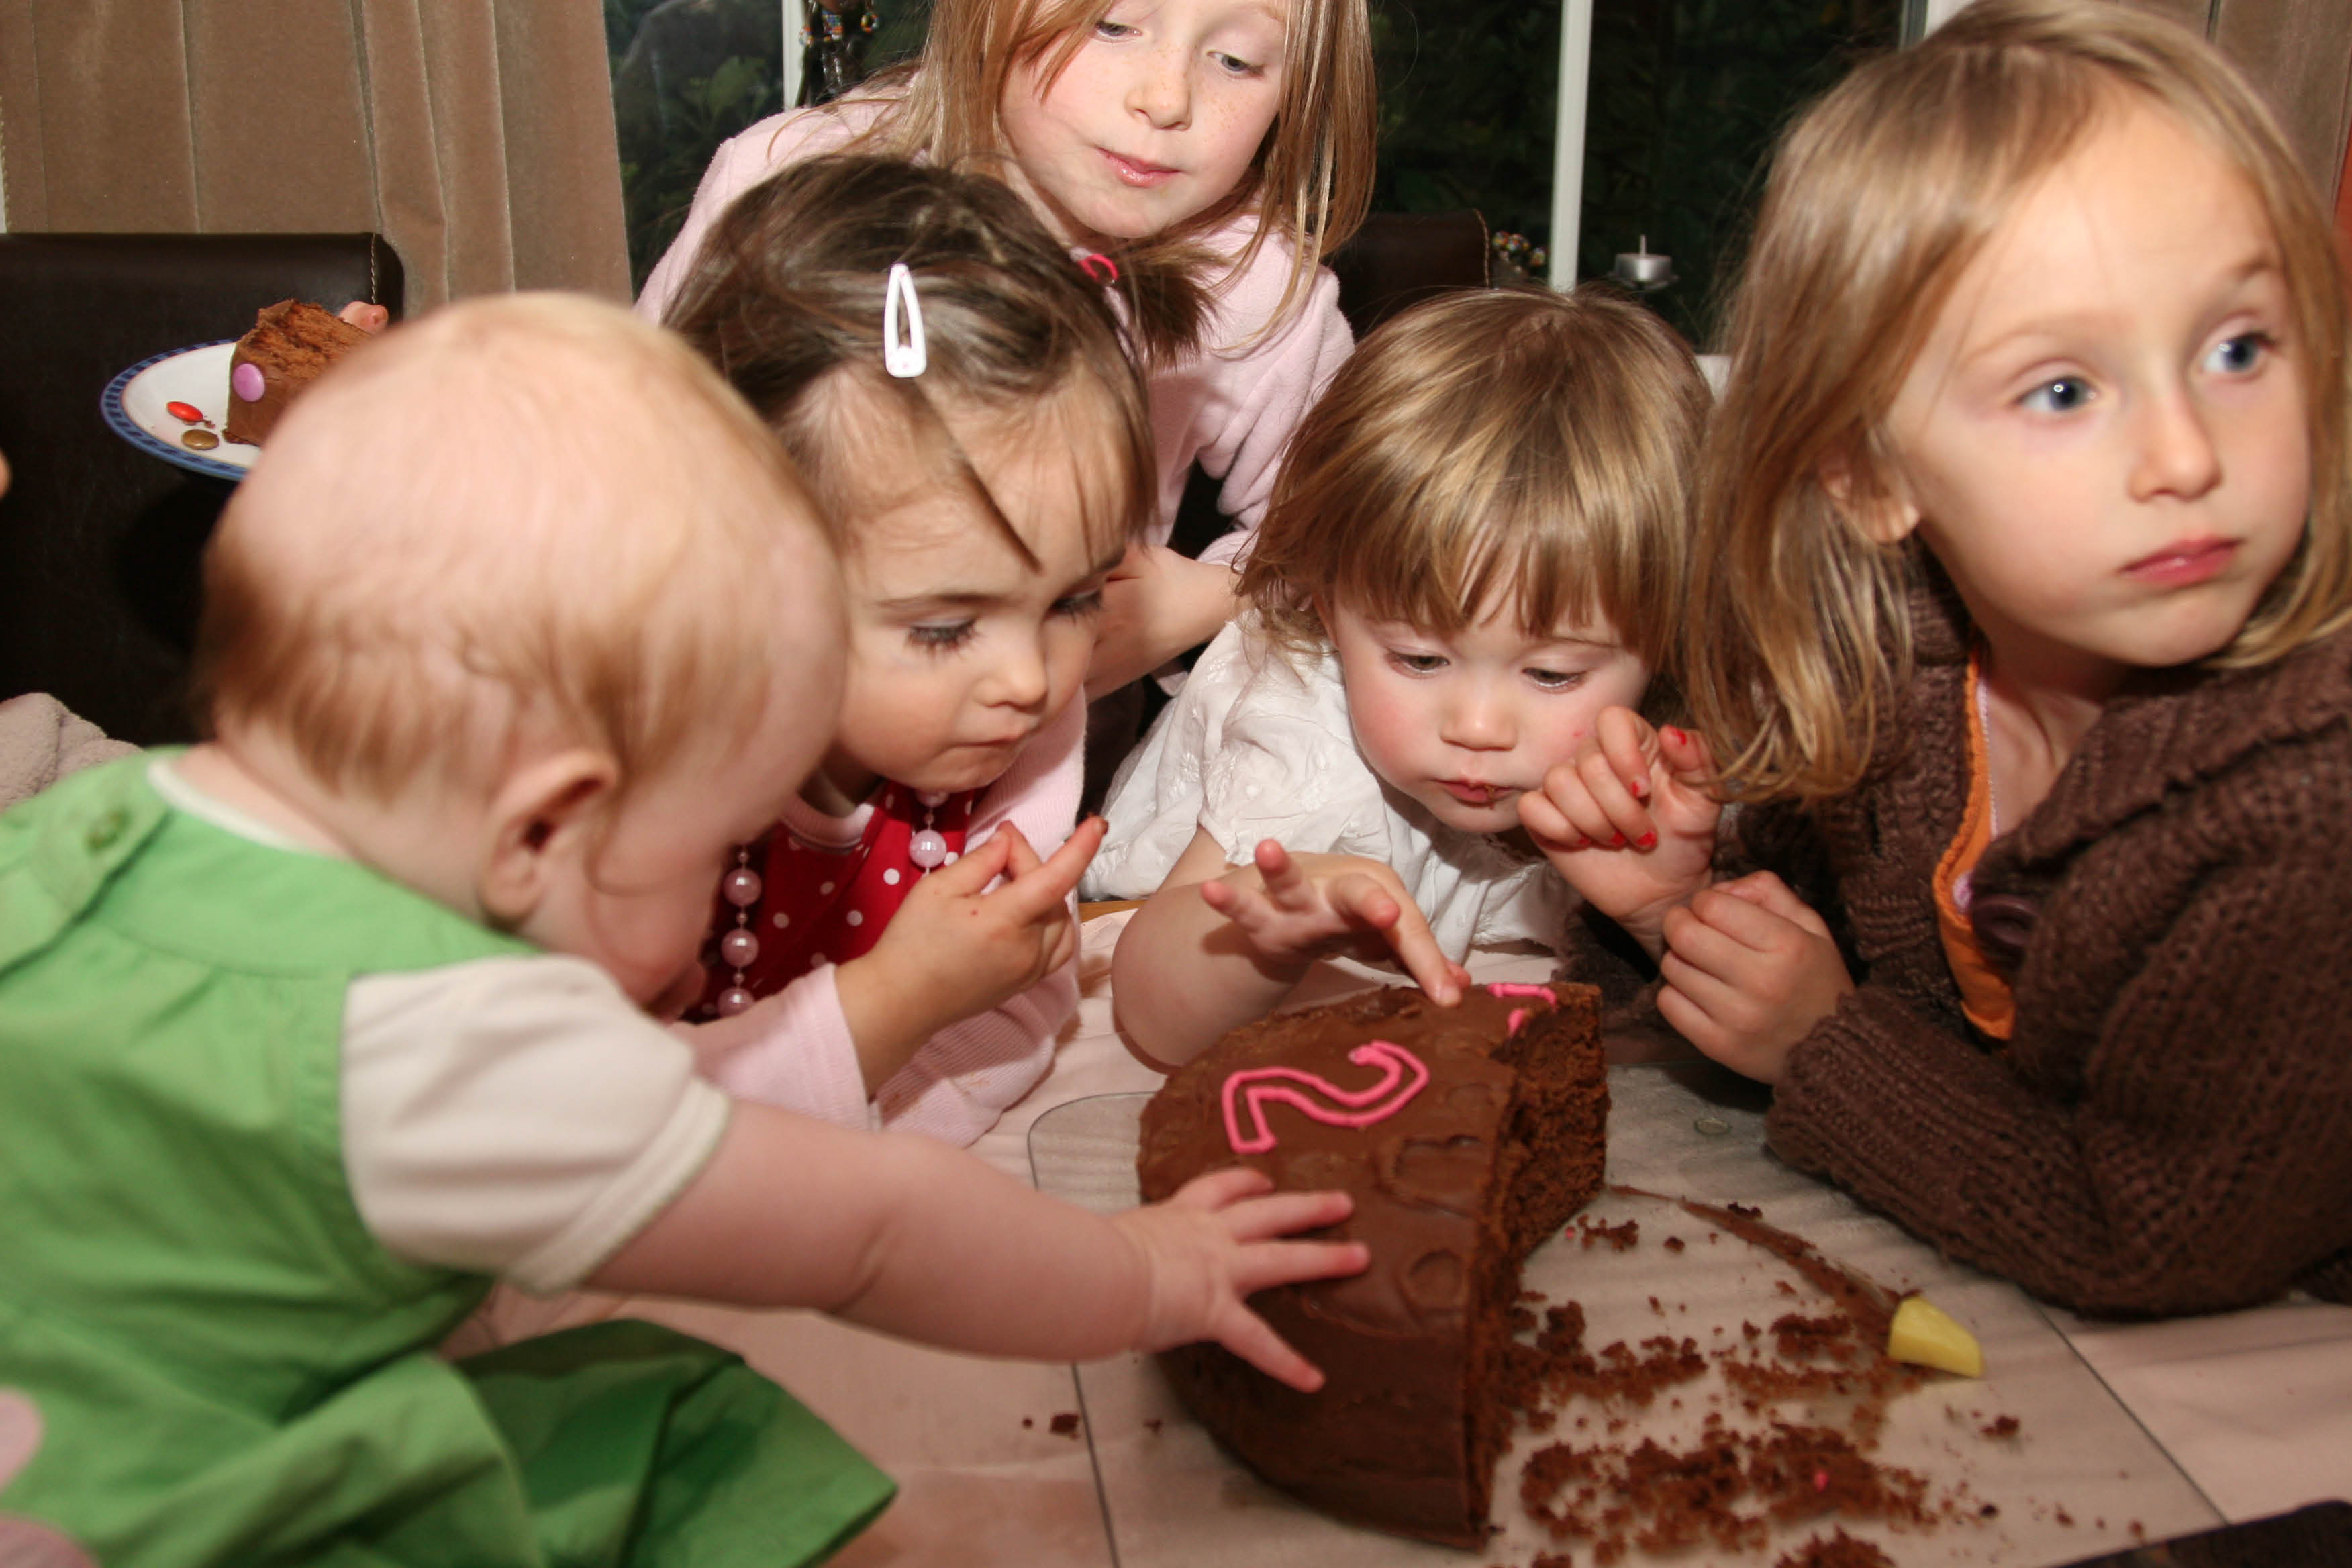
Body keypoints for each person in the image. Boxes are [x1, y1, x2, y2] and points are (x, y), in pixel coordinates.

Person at [0, 293, 1368, 1566]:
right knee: (684, 1430)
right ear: (545, 829)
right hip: (148, 1519)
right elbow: (877, 1230)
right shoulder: (454, 1046)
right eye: (713, 845)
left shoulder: (71, 830)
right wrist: (1143, 1270)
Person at [1530, 0, 2352, 1316]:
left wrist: (1824, 1047)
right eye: (2063, 390)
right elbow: (1821, 986)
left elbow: (2148, 1236)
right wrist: (1676, 911)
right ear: (1869, 477)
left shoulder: (2306, 799)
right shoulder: (1883, 680)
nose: (2187, 454)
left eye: (2236, 349)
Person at [634, 0, 1377, 695]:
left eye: (1237, 61)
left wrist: (1209, 598)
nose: (1166, 98)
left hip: (1042, 748)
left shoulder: (1255, 283)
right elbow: (632, 461)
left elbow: (1349, 520)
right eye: (1112, 26)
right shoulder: (785, 176)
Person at [665, 155, 1163, 1144]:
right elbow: (577, 1122)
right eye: (944, 627)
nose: (1030, 681)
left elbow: (1018, 1009)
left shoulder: (1011, 726)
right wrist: (894, 1006)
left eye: (1075, 600)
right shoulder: (630, 767)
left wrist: (867, 1153)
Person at [1096, 285, 1710, 1067]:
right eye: (1420, 659)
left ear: (1667, 637)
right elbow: (1151, 1017)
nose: (1477, 727)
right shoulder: (1312, 757)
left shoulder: (1670, 764)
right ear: (1327, 607)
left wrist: (1666, 909)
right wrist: (1268, 931)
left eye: (1553, 673)